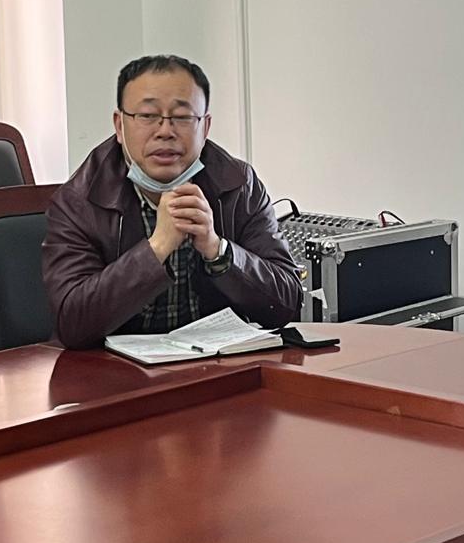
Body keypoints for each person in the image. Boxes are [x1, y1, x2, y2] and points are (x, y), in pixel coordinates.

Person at [42, 54, 302, 349]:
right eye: (147, 115)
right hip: (114, 370)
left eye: (182, 117)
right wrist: (156, 248)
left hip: (216, 366)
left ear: (205, 127)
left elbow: (286, 304)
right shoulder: (79, 200)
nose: (165, 131)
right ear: (120, 126)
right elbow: (72, 324)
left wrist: (218, 251)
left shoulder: (239, 185)